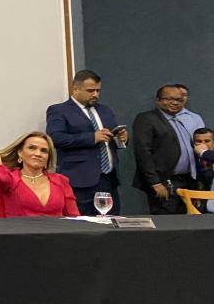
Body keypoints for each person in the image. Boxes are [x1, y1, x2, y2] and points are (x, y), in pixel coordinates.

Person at [45, 69, 127, 215]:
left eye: (98, 90)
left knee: (113, 222)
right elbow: (55, 138)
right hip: (79, 180)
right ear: (75, 89)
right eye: (90, 90)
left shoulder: (105, 110)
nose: (95, 94)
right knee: (84, 225)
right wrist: (92, 138)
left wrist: (121, 139)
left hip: (108, 179)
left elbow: (109, 138)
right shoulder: (59, 110)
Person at [132, 85, 201, 214]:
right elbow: (143, 152)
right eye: (169, 99)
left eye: (179, 100)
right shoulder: (147, 119)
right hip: (164, 183)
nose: (175, 103)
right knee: (167, 224)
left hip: (187, 181)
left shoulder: (186, 120)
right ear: (158, 100)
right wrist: (155, 183)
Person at [0, 132, 79, 217]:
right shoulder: (11, 179)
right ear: (20, 153)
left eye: (44, 151)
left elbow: (74, 217)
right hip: (19, 235)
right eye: (32, 148)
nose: (38, 153)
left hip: (58, 236)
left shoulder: (60, 180)